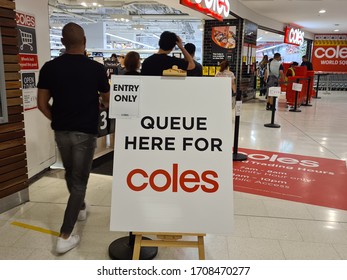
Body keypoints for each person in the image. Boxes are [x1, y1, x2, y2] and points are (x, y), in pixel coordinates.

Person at [37, 22, 110, 254]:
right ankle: (65, 235)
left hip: (61, 132)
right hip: (85, 132)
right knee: (79, 181)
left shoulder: (49, 68)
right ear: (85, 41)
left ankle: (79, 207)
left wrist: (57, 119)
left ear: (62, 43)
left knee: (71, 174)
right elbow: (107, 101)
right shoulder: (96, 69)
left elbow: (41, 103)